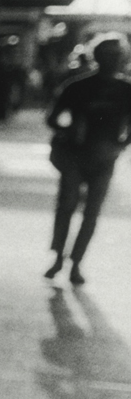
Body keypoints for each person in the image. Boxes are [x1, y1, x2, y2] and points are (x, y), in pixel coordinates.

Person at [45, 34, 131, 286]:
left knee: (91, 212)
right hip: (75, 153)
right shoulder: (77, 86)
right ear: (98, 57)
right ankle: (58, 257)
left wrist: (120, 145)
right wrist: (67, 130)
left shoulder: (126, 90)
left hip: (105, 157)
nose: (113, 60)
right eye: (108, 55)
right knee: (67, 206)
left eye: (117, 56)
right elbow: (52, 118)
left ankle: (77, 262)